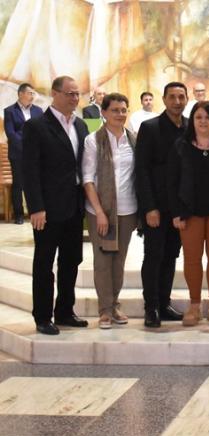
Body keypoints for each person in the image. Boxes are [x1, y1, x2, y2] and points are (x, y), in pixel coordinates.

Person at [23, 76, 89, 335]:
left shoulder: (81, 125)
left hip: (74, 205)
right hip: (48, 208)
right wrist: (36, 207)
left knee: (71, 261)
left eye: (77, 94)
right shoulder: (37, 126)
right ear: (55, 93)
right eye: (70, 93)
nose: (75, 98)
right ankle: (42, 316)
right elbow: (30, 170)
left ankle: (65, 311)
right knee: (44, 262)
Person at [168, 101, 209, 327]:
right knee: (192, 259)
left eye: (208, 117)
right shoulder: (181, 145)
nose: (203, 121)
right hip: (190, 212)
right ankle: (194, 305)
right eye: (198, 117)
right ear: (192, 120)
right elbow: (171, 181)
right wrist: (176, 212)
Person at [82, 93, 138, 330]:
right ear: (104, 112)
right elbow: (87, 179)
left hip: (128, 209)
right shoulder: (93, 140)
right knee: (103, 261)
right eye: (115, 110)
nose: (120, 114)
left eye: (123, 110)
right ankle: (104, 310)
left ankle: (114, 305)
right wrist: (99, 212)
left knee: (119, 261)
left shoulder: (133, 139)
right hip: (101, 211)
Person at [135, 82, 189, 328]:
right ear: (164, 99)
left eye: (181, 97)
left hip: (180, 208)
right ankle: (151, 307)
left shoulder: (190, 127)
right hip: (156, 206)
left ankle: (164, 303)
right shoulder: (150, 128)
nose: (177, 101)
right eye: (172, 97)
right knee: (153, 256)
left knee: (171, 255)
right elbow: (142, 170)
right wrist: (149, 207)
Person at [3, 82, 42, 224]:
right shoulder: (9, 111)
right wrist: (26, 147)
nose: (32, 96)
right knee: (18, 184)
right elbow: (11, 133)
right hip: (18, 154)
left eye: (33, 93)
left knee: (35, 183)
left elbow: (42, 131)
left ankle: (35, 212)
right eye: (30, 93)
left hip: (35, 154)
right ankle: (19, 215)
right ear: (21, 94)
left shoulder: (38, 111)